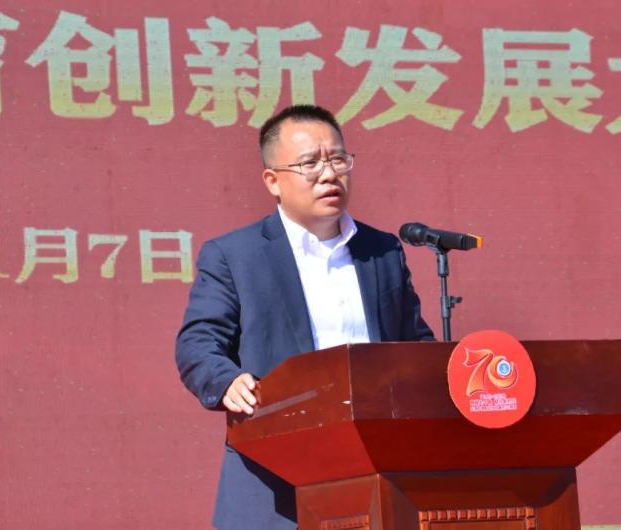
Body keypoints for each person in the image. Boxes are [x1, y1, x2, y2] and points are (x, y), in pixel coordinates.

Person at [175, 104, 434, 529]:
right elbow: (198, 343)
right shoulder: (235, 255)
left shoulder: (382, 250)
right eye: (310, 163)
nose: (329, 174)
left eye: (338, 159)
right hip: (274, 476)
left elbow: (413, 343)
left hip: (377, 476)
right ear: (272, 181)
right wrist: (227, 380)